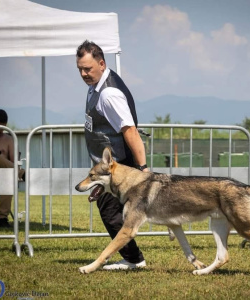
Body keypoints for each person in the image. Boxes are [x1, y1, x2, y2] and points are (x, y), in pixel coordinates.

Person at [76, 40, 148, 270]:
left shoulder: (108, 94)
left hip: (120, 165)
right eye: (80, 69)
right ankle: (132, 257)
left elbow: (130, 131)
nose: (84, 73)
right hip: (112, 164)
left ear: (101, 63)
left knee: (109, 211)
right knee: (113, 211)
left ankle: (133, 259)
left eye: (88, 68)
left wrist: (143, 167)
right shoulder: (97, 84)